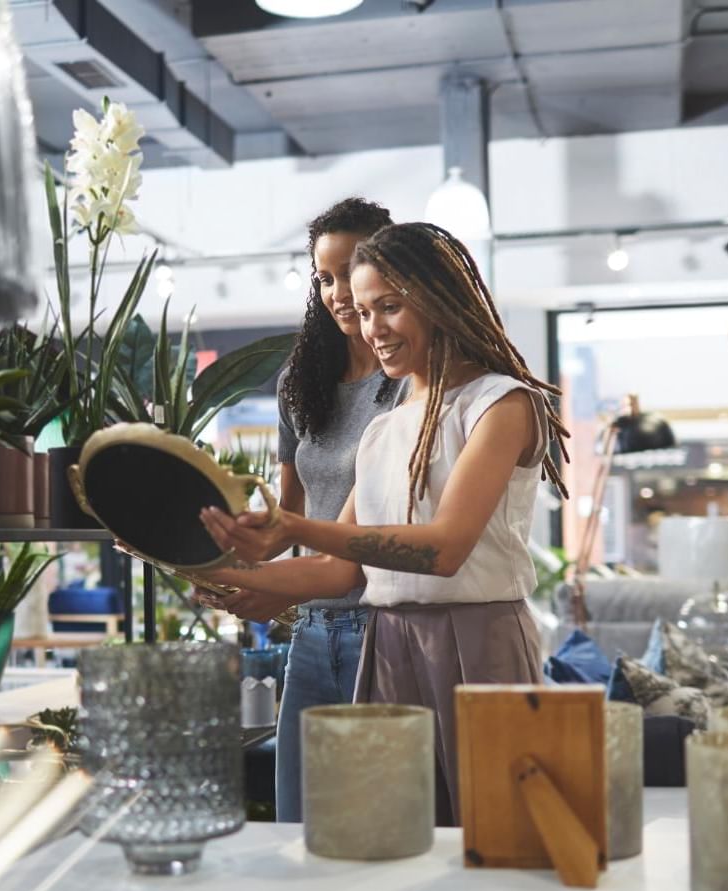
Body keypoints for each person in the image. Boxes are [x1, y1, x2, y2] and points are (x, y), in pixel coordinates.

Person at [199, 222, 570, 824]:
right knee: (390, 839)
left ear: (440, 297)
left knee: (495, 836)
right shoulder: (383, 429)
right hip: (389, 647)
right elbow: (338, 570)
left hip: (477, 644)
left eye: (389, 307)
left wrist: (295, 527)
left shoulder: (503, 404)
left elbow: (445, 550)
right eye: (366, 312)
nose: (373, 329)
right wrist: (221, 571)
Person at [203, 197, 397, 823]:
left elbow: (351, 540)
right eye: (325, 277)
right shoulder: (299, 383)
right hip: (313, 633)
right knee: (297, 824)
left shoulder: (412, 383)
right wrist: (218, 553)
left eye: (352, 273)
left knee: (374, 825)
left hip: (384, 632)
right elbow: (288, 513)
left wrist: (258, 579)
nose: (340, 292)